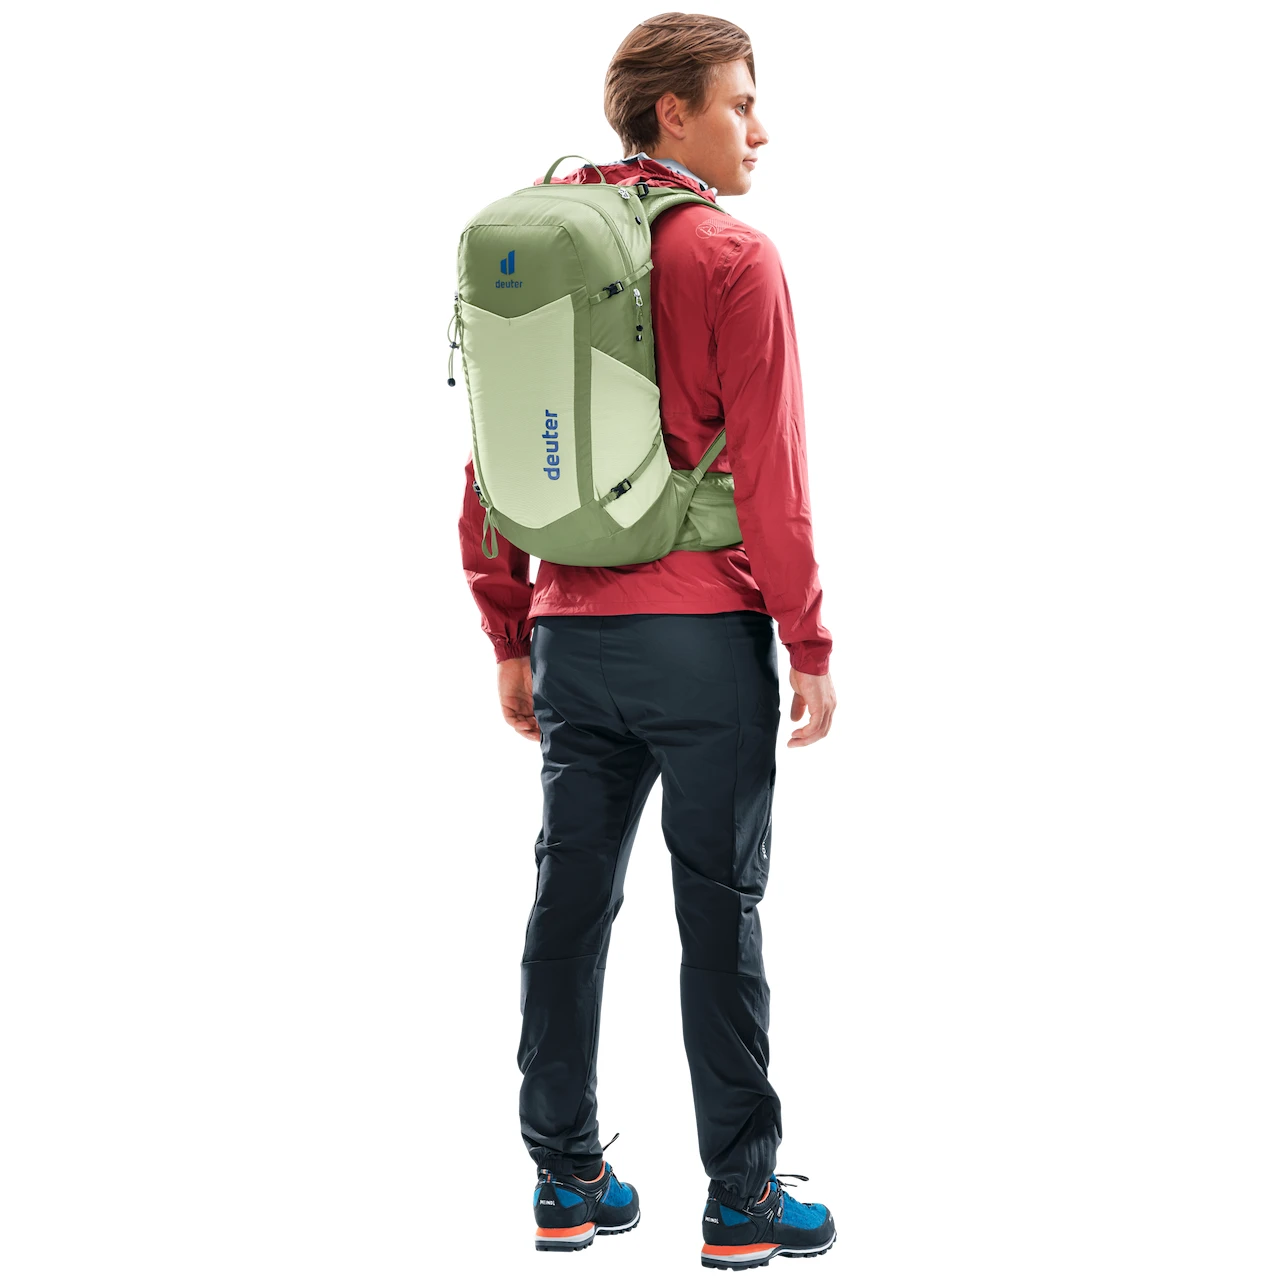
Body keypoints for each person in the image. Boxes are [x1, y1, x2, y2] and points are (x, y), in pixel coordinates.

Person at [458, 12, 838, 1268]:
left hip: (571, 637)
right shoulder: (733, 256)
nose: (759, 129)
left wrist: (508, 627)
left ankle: (564, 1181)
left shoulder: (546, 245)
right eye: (740, 102)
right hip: (703, 643)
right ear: (674, 112)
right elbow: (772, 477)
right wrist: (810, 640)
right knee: (718, 913)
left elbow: (493, 457)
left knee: (568, 904)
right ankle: (741, 1203)